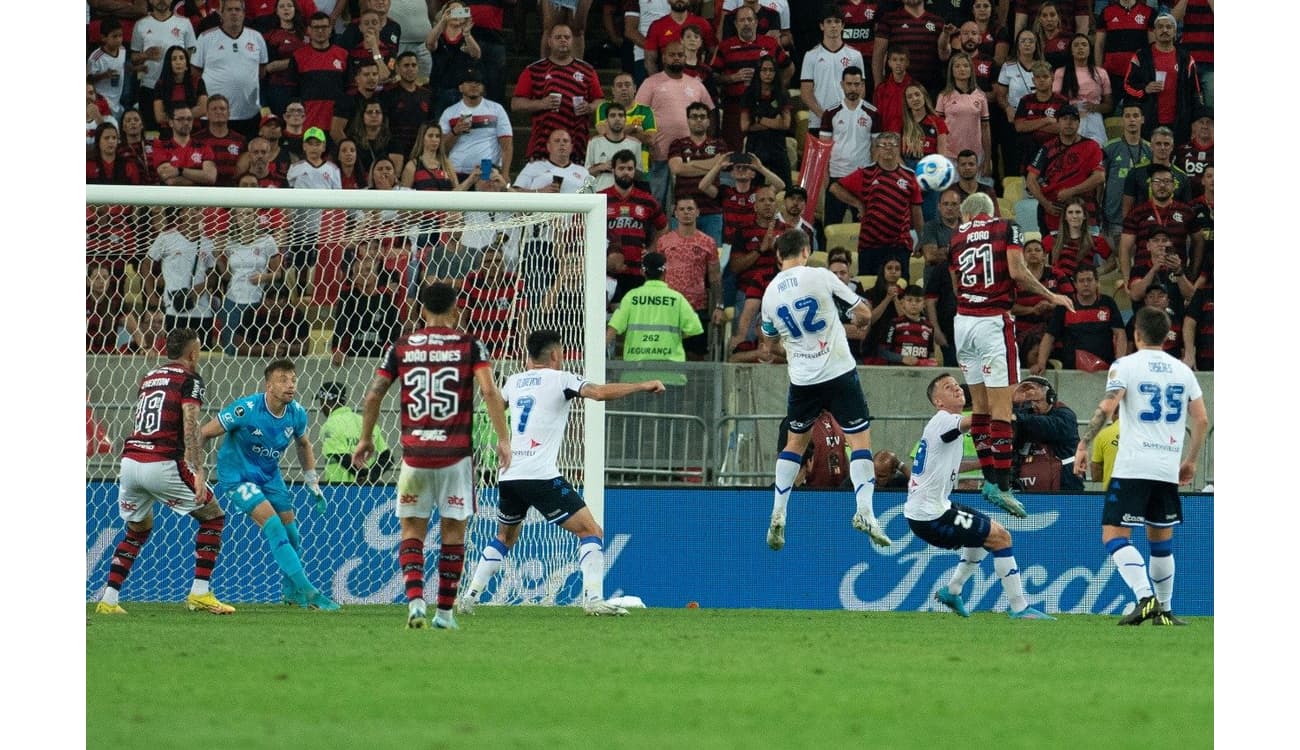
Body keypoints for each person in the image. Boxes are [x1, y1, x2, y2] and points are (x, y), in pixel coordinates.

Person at [459, 329, 666, 616]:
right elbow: (598, 393)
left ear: (527, 355)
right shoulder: (562, 378)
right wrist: (643, 385)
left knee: (504, 537)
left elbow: (492, 400)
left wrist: (502, 439)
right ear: (556, 354)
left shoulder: (514, 382)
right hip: (540, 475)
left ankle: (469, 596)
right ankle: (593, 600)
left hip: (508, 475)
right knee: (591, 531)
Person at [353, 282, 511, 629]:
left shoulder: (401, 347)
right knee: (454, 534)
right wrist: (503, 438)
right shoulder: (470, 345)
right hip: (455, 457)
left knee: (412, 530)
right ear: (456, 310)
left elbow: (374, 394)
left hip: (414, 456)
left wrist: (365, 438)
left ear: (421, 309)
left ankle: (414, 602)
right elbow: (488, 390)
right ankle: (444, 614)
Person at [1072, 306, 1208, 625]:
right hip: (1166, 467)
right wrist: (1190, 460)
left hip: (1133, 466)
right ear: (1168, 337)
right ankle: (1165, 610)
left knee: (1114, 536)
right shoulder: (1183, 372)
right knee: (1161, 543)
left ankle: (1144, 597)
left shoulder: (1126, 365)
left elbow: (1108, 406)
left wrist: (1084, 443)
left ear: (1136, 335)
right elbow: (1201, 418)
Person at [759, 228, 892, 551]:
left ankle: (778, 512)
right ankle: (865, 511)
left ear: (779, 256)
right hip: (838, 371)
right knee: (859, 440)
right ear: (807, 250)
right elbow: (863, 312)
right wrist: (860, 324)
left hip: (802, 379)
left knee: (794, 443)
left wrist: (794, 350)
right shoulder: (820, 276)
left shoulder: (770, 293)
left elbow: (769, 345)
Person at [95, 328, 235, 616]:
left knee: (138, 529)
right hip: (162, 462)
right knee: (213, 517)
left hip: (131, 462)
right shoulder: (190, 379)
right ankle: (199, 593)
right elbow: (191, 422)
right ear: (193, 352)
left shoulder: (149, 377)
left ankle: (108, 600)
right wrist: (198, 470)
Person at [950, 192, 1073, 515]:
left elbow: (955, 286)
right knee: (1002, 409)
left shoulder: (956, 238)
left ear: (967, 215)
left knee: (979, 408)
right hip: (992, 322)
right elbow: (1017, 272)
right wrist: (1052, 294)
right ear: (991, 211)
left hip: (963, 323)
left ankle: (990, 480)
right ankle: (1003, 486)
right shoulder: (1007, 227)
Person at [906, 373, 1055, 620]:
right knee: (1001, 538)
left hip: (934, 508)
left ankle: (952, 591)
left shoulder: (942, 426)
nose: (956, 388)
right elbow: (978, 421)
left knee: (986, 534)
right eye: (947, 387)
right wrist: (1005, 400)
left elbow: (948, 462)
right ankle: (1020, 608)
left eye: (956, 384)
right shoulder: (944, 420)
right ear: (938, 402)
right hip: (931, 516)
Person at [200, 358, 339, 611]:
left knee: (293, 536)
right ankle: (309, 592)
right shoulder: (246, 409)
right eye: (283, 380)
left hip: (269, 475)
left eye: (293, 380)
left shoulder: (296, 412)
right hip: (237, 477)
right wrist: (197, 471)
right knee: (274, 526)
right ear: (269, 386)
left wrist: (312, 481)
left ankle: (290, 593)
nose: (290, 385)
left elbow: (304, 444)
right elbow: (204, 433)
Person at [635, 40, 717, 209]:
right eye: (672, 55)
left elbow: (711, 113)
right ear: (664, 58)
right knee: (656, 203)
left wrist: (710, 141)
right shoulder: (651, 83)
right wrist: (643, 144)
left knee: (684, 204)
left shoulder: (696, 84)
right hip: (658, 154)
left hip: (691, 158)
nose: (676, 58)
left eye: (680, 55)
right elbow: (638, 117)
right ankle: (656, 236)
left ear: (685, 57)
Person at [829, 131, 923, 278]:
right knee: (868, 289)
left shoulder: (910, 176)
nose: (888, 148)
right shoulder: (866, 173)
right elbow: (834, 188)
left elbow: (916, 210)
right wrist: (858, 203)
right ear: (877, 149)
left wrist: (921, 238)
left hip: (899, 245)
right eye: (883, 145)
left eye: (892, 145)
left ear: (899, 148)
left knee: (900, 288)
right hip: (870, 244)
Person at [512, 23, 604, 162]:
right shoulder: (534, 70)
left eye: (567, 37)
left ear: (572, 41)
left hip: (577, 146)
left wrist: (589, 107)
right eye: (558, 37)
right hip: (542, 146)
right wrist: (541, 104)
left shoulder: (587, 71)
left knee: (580, 184)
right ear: (549, 41)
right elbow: (515, 104)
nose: (563, 40)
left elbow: (601, 101)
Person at [605, 252, 705, 378]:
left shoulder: (631, 297)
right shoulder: (676, 298)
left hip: (636, 374)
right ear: (665, 271)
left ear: (642, 271)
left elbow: (613, 328)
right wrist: (672, 336)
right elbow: (695, 328)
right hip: (671, 373)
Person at [653, 195, 723, 361]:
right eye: (682, 209)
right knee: (667, 353)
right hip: (668, 306)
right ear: (675, 213)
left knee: (695, 355)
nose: (686, 213)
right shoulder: (663, 241)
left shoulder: (708, 242)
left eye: (690, 209)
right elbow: (658, 276)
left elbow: (715, 277)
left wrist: (719, 305)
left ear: (697, 212)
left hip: (696, 306)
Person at [192, 0, 269, 141]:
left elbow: (261, 71)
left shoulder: (257, 38)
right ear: (221, 13)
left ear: (244, 13)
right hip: (214, 114)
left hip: (248, 114)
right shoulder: (205, 38)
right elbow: (195, 74)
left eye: (238, 9)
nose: (234, 13)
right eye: (229, 9)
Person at [1122, 12, 1203, 144]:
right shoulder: (1142, 55)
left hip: (1179, 121)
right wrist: (1145, 89)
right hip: (1149, 120)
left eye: (1168, 27)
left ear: (1175, 31)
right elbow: (1127, 85)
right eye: (1160, 27)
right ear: (1154, 31)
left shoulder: (1185, 57)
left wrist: (1195, 121)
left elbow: (1195, 92)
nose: (1164, 30)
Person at [1025, 103, 1104, 234]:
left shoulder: (1091, 146)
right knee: (1055, 252)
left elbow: (1099, 177)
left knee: (1091, 251)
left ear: (1079, 123)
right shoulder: (1047, 148)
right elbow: (1030, 180)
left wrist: (1072, 191)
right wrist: (1045, 204)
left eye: (1073, 119)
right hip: (1054, 212)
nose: (1069, 123)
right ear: (1058, 122)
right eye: (1064, 119)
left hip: (1086, 211)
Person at [1031, 264, 1125, 375]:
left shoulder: (1108, 303)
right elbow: (1049, 336)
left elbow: (1120, 334)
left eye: (1089, 280)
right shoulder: (1065, 305)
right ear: (1075, 284)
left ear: (1096, 282)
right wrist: (1041, 363)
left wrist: (1119, 365)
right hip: (1072, 370)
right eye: (1081, 281)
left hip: (1105, 369)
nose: (1086, 284)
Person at [818, 65, 878, 225]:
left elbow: (876, 149)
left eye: (857, 84)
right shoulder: (830, 113)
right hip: (837, 177)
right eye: (849, 84)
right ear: (842, 85)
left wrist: (873, 179)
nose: (853, 88)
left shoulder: (873, 113)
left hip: (862, 178)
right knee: (830, 226)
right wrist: (826, 181)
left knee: (863, 228)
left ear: (863, 85)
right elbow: (823, 151)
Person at [131, 0, 198, 131]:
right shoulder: (141, 24)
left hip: (178, 88)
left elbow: (191, 56)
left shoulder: (184, 23)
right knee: (151, 131)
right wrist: (145, 55)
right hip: (149, 86)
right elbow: (133, 58)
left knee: (178, 129)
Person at [440, 67, 513, 182]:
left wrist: (505, 173)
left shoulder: (496, 109)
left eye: (478, 82)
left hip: (487, 170)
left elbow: (507, 146)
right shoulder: (449, 112)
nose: (474, 86)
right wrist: (455, 132)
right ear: (460, 87)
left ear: (483, 88)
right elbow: (441, 149)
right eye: (469, 82)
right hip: (457, 171)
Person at [1010, 375, 1082, 491]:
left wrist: (1017, 417)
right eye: (1029, 402)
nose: (1033, 406)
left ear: (1050, 398)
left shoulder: (1065, 415)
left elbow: (1048, 426)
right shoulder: (1023, 415)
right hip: (1025, 488)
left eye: (1037, 401)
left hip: (1064, 485)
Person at [799, 7, 865, 127]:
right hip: (818, 122)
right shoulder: (811, 56)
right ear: (822, 26)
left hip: (847, 121)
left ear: (842, 25)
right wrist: (824, 116)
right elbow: (805, 92)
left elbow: (861, 89)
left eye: (837, 21)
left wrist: (849, 113)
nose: (833, 25)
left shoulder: (855, 55)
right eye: (829, 22)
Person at [316, 382, 391, 485]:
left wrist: (361, 474)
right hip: (367, 489)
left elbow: (341, 457)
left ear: (325, 401)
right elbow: (387, 457)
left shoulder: (330, 425)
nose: (321, 407)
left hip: (338, 489)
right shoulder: (365, 422)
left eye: (320, 402)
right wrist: (370, 477)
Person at [290, 11, 349, 134]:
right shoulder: (298, 56)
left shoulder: (343, 55)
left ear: (330, 29)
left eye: (324, 27)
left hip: (337, 124)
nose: (320, 31)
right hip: (309, 122)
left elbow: (348, 89)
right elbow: (293, 92)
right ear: (309, 30)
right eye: (316, 27)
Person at [871, 0, 947, 94]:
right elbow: (878, 56)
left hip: (930, 90)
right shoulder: (888, 20)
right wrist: (878, 86)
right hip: (897, 90)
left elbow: (944, 55)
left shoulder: (938, 22)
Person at [1052, 33, 1112, 146]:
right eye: (1076, 45)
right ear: (1071, 51)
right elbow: (1055, 102)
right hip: (1070, 116)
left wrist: (1096, 107)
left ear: (1090, 50)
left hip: (1094, 115)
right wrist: (1071, 108)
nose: (1080, 47)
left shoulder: (1101, 73)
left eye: (1084, 45)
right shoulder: (1061, 72)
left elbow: (1109, 105)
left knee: (1096, 149)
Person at [874, 284, 936, 366]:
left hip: (921, 373)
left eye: (918, 300)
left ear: (924, 304)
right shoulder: (894, 324)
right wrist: (902, 358)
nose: (913, 304)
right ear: (902, 302)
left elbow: (930, 353)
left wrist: (932, 361)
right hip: (898, 372)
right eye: (909, 300)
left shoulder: (929, 327)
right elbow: (882, 352)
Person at [1088, 417, 1120, 489]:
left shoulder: (1103, 435)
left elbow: (1096, 475)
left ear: (1113, 414)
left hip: (1113, 491)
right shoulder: (1145, 434)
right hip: (1143, 493)